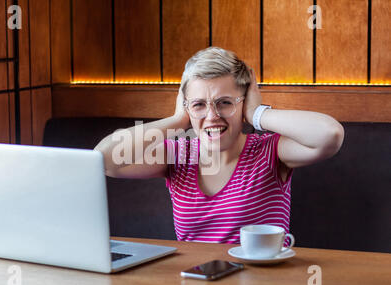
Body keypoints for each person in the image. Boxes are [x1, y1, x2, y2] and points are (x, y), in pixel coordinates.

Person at [95, 47, 344, 244]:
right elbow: (105, 160)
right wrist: (178, 120)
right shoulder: (178, 154)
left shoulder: (270, 151)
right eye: (199, 104)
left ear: (243, 104)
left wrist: (257, 113)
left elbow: (329, 135)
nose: (212, 116)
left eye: (225, 103)